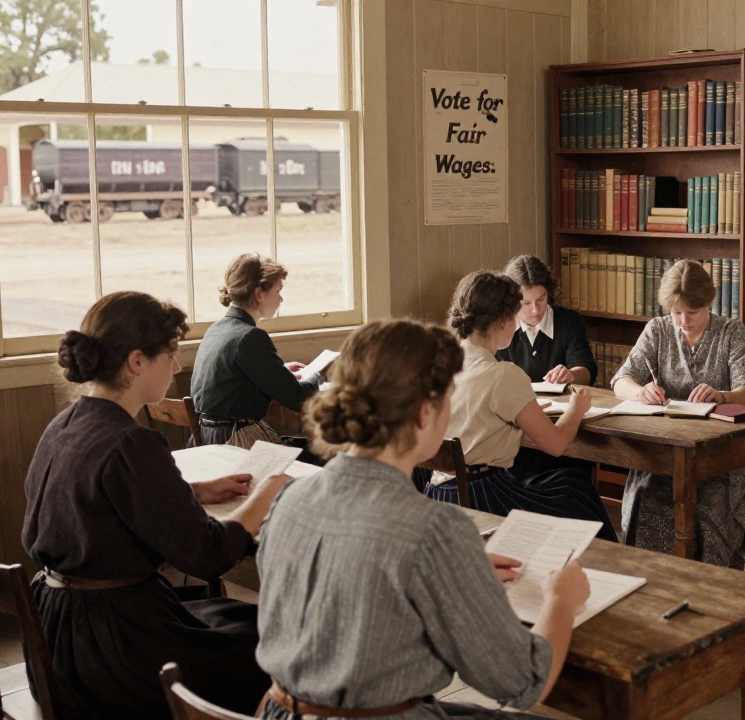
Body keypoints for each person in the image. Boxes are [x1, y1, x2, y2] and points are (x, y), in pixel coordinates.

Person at [256, 319, 592, 719]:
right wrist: (561, 601)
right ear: (425, 412)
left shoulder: (289, 498)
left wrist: (453, 565)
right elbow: (523, 682)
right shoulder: (435, 529)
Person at [22, 291, 287, 719]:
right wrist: (263, 496)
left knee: (235, 619)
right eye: (170, 353)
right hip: (116, 651)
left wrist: (192, 492)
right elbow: (207, 555)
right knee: (279, 639)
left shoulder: (67, 423)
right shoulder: (132, 441)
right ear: (136, 362)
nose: (177, 365)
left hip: (55, 636)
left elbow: (93, 502)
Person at [421, 270, 617, 540]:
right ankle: (606, 572)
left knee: (562, 484)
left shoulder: (439, 364)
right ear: (503, 321)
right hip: (482, 496)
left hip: (436, 493)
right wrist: (576, 409)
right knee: (574, 490)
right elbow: (556, 445)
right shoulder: (503, 374)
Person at [611, 260, 745, 568]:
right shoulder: (658, 330)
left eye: (692, 312)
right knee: (647, 502)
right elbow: (620, 380)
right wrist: (640, 392)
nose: (683, 320)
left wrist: (722, 395)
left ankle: (707, 594)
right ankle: (655, 590)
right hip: (664, 457)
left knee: (705, 512)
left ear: (709, 302)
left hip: (718, 461)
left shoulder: (732, 332)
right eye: (676, 312)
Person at [191, 253, 324, 450]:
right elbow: (298, 399)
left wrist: (279, 370)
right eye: (277, 291)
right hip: (235, 442)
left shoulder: (217, 329)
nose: (281, 299)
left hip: (208, 437)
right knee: (325, 454)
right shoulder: (251, 337)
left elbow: (232, 376)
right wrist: (321, 373)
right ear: (259, 294)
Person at [497, 254, 598, 481]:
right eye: (525, 303)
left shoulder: (569, 321)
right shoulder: (502, 329)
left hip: (562, 427)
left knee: (568, 475)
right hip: (516, 431)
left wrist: (571, 374)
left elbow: (587, 370)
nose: (535, 310)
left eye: (541, 299)